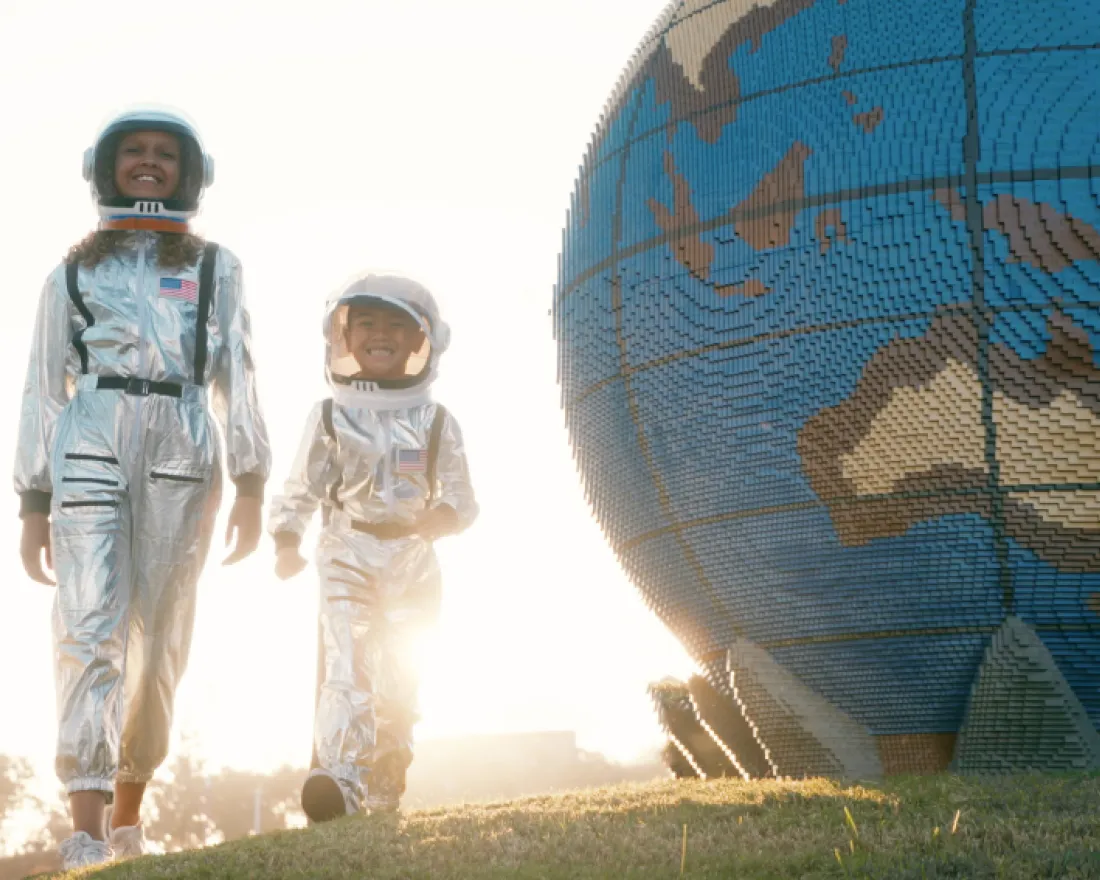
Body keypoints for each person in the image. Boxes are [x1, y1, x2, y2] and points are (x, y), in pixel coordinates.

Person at [14, 106, 271, 869]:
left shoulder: (216, 266)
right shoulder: (71, 270)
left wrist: (253, 479)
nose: (149, 162)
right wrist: (32, 500)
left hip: (182, 441)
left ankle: (129, 814)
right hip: (89, 437)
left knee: (158, 635)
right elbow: (39, 386)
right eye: (135, 152)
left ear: (190, 171)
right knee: (87, 625)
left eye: (165, 152)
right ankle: (84, 829)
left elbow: (240, 375)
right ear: (106, 166)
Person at [269, 272, 477, 821]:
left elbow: (463, 496)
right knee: (347, 663)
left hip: (412, 562)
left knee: (398, 683)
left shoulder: (435, 421)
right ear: (343, 334)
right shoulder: (330, 416)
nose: (379, 335)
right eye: (367, 323)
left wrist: (446, 516)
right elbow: (302, 485)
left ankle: (386, 777)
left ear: (419, 342)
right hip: (347, 554)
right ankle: (337, 781)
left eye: (395, 326)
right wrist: (287, 539)